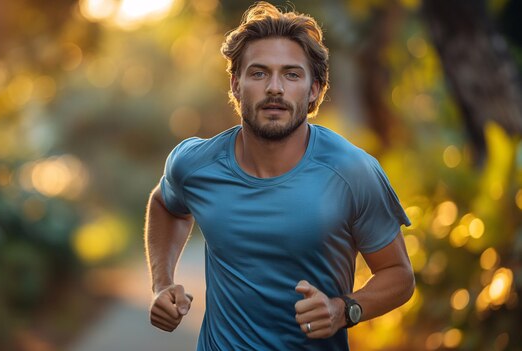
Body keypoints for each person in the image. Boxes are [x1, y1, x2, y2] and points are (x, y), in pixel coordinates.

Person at [144, 2, 415, 350]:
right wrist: (162, 284)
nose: (275, 88)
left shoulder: (352, 171)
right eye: (258, 73)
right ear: (236, 85)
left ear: (315, 89)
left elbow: (399, 275)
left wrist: (342, 310)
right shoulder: (195, 164)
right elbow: (166, 205)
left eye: (292, 74)